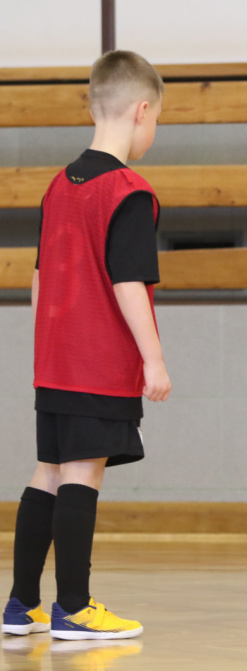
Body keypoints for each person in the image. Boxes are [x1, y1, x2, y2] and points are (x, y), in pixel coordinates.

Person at [2, 50, 170, 640]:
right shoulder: (128, 191)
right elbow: (128, 283)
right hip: (97, 362)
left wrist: (49, 345)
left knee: (48, 471)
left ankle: (22, 605)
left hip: (54, 359)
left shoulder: (58, 185)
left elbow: (39, 277)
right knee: (81, 472)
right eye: (157, 121)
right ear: (142, 111)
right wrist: (153, 358)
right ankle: (74, 607)